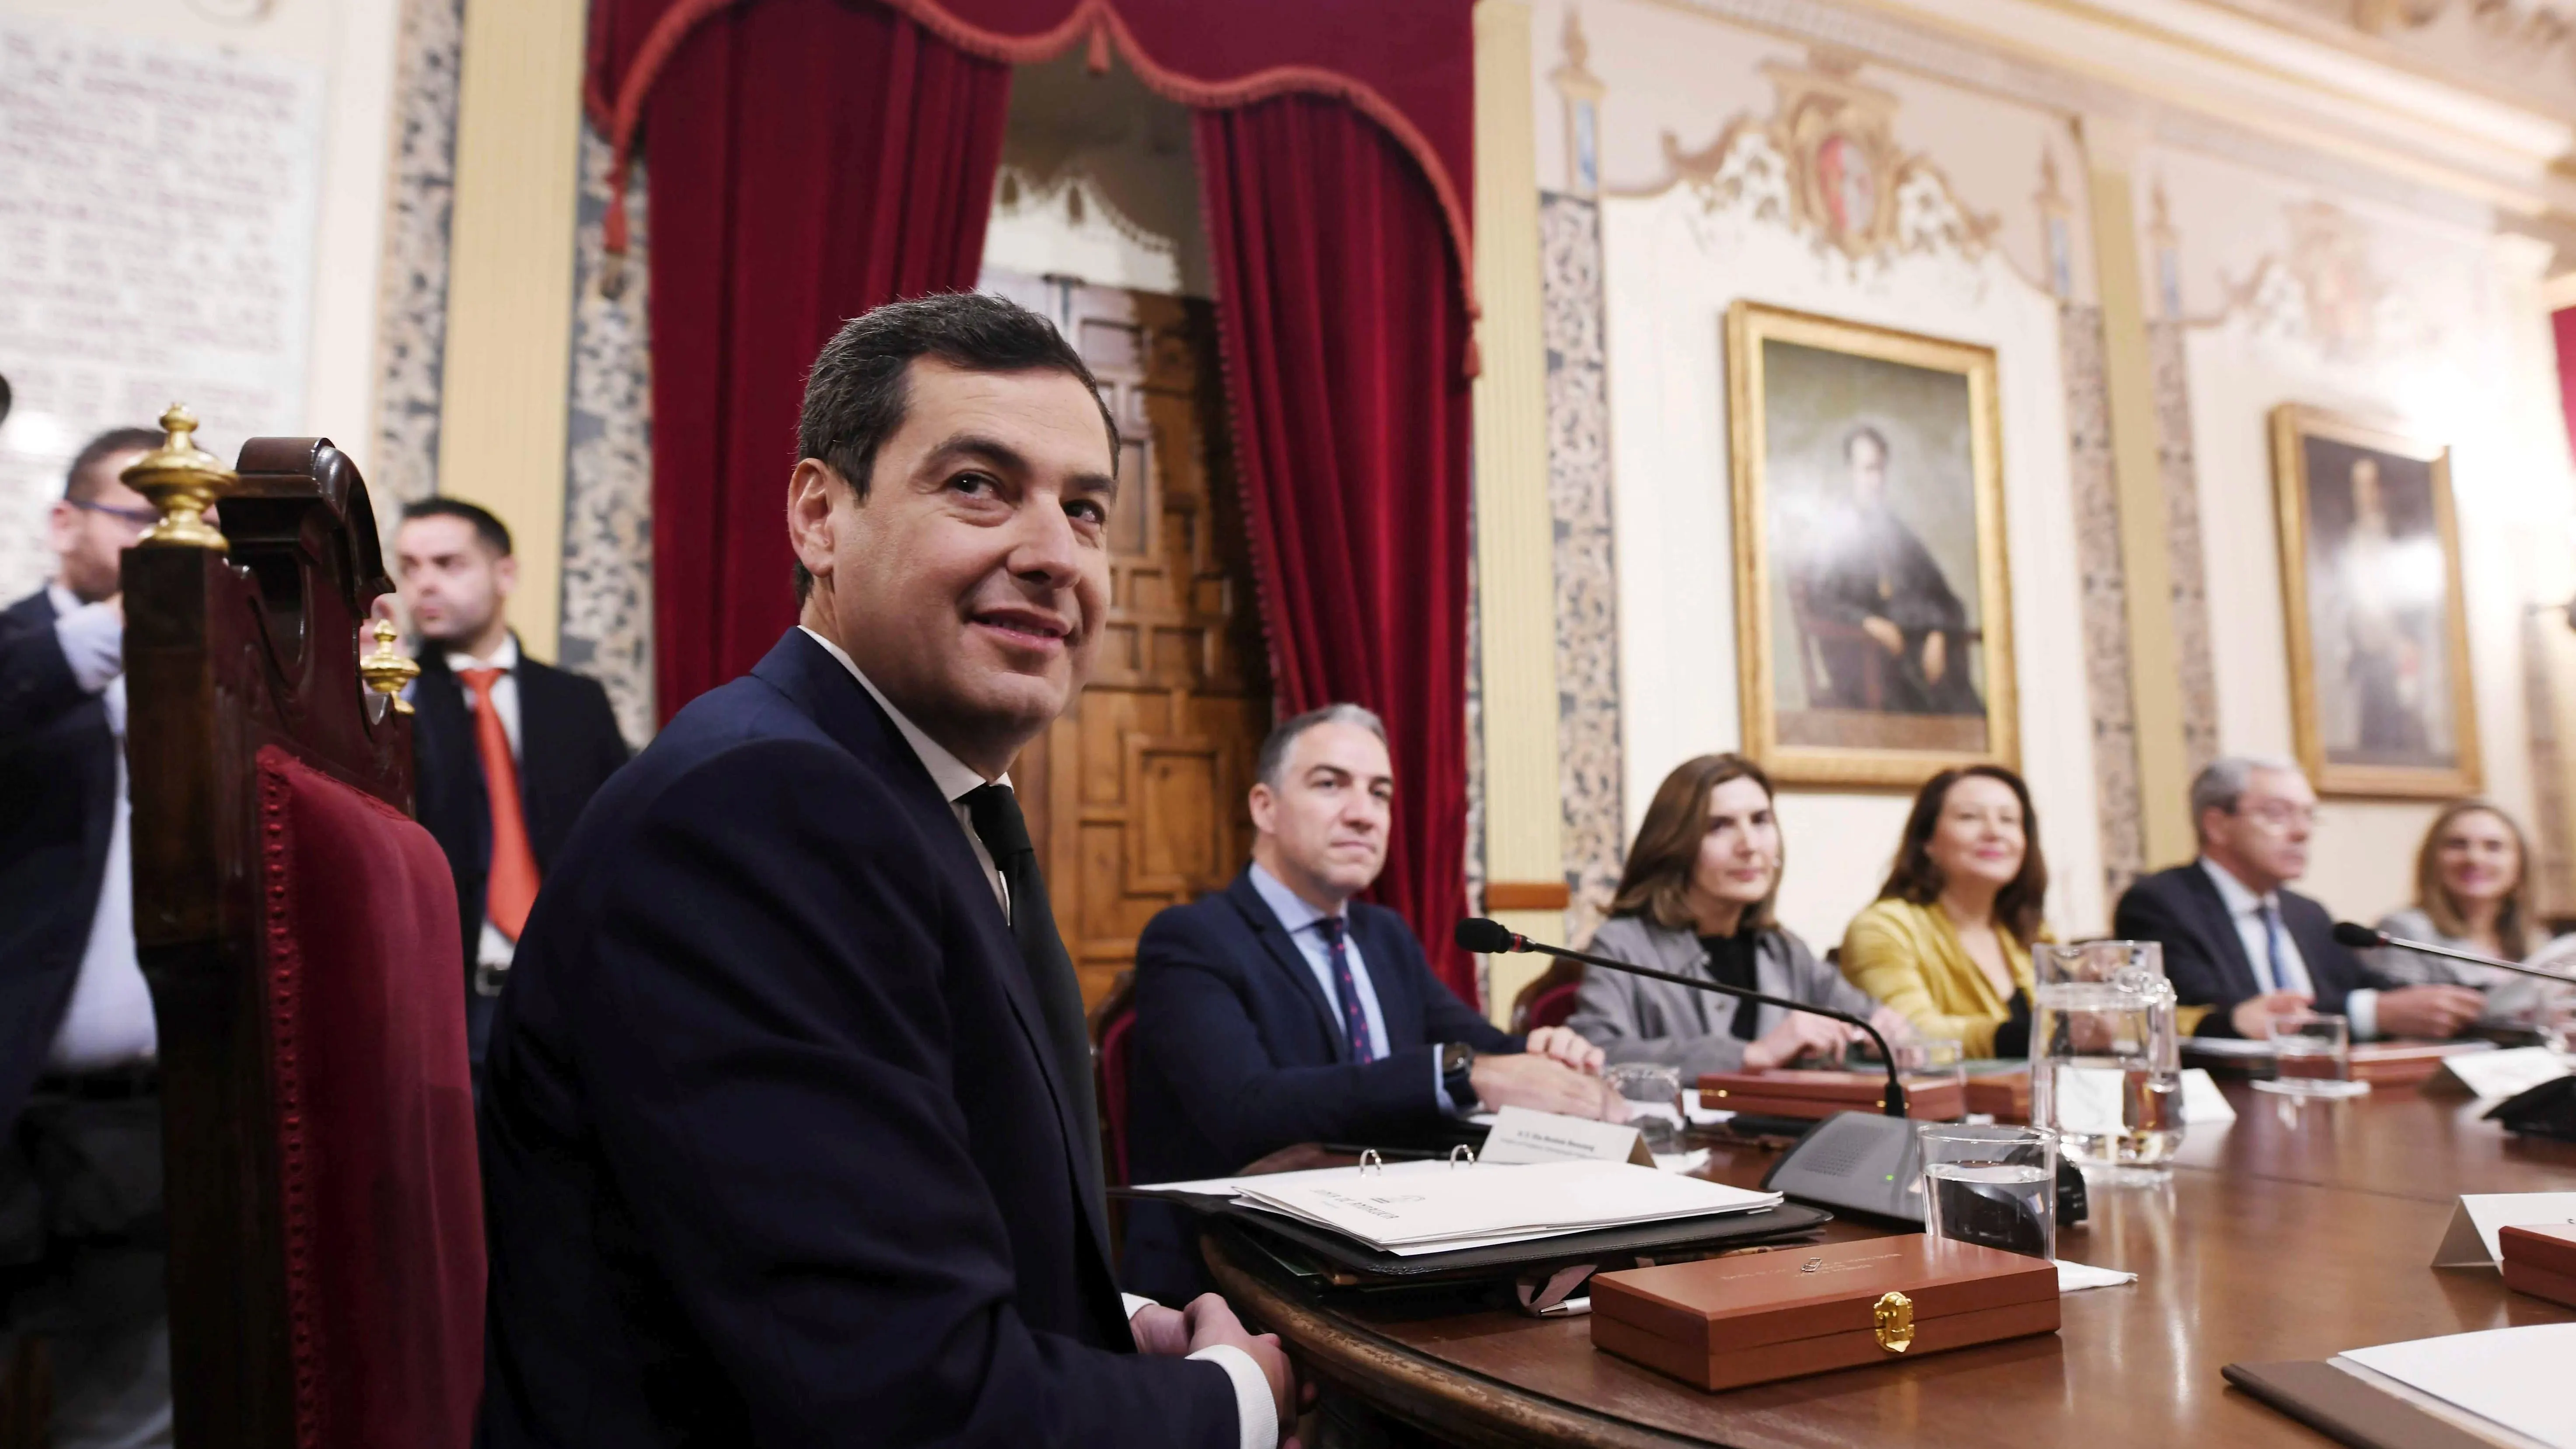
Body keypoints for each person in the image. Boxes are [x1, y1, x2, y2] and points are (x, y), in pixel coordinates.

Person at [476, 294, 1297, 1448]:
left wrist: (1113, 1324)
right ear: (820, 516)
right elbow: (912, 1405)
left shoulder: (906, 796)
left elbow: (860, 1256)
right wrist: (1244, 1397)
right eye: (978, 485)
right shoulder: (762, 813)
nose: (1055, 554)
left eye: (1086, 509)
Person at [1123, 704, 1615, 1302]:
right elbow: (1242, 1109)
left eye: (1379, 793)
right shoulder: (1193, 937)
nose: (1363, 814)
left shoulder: (1383, 935)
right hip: (1239, 1272)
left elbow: (1475, 1048)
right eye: (1330, 784)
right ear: (1264, 807)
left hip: (1396, 1251)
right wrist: (1465, 1074)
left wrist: (1544, 1054)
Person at [0, 426, 175, 1449]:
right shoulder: (25, 656)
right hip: (12, 1108)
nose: (172, 542)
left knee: (125, 1417)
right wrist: (114, 631)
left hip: (139, 1131)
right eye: (145, 516)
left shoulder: (211, 685)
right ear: (64, 522)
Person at [393, 497, 631, 1067]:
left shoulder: (575, 702)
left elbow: (618, 844)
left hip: (568, 994)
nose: (424, 584)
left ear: (505, 573)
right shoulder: (396, 698)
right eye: (409, 567)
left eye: (448, 564)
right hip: (442, 1001)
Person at [1567, 753, 1909, 1075]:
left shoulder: (1784, 950)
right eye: (1719, 826)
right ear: (1674, 844)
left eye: (1761, 821)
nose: (1749, 845)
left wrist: (1887, 1036)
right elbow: (1599, 1052)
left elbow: (1879, 1024)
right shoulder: (1623, 944)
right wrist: (1749, 1056)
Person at [2112, 756, 2483, 1040]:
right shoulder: (2161, 903)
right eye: (2278, 815)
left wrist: (2440, 1002)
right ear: (2217, 825)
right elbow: (2213, 1016)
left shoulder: (2305, 913)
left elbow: (2362, 986)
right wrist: (2372, 1012)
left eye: (2308, 816)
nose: (2302, 832)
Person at [1839, 765, 2051, 1057]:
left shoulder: (2032, 933)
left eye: (2009, 819)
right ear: (1927, 841)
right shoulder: (1883, 928)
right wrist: (2018, 1036)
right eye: (1970, 817)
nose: (1994, 832)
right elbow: (1912, 1036)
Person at [1798, 426, 1982, 716]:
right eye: (1868, 470)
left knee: (1964, 710)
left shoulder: (1898, 533)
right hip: (1867, 664)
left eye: (1880, 470)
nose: (1876, 481)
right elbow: (1821, 600)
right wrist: (1869, 622)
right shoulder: (1831, 535)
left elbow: (1946, 598)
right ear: (1850, 473)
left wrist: (1937, 634)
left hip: (1920, 663)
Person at [2374, 800, 2553, 1030]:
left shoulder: (2537, 939)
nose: (2475, 858)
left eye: (2493, 847)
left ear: (2520, 865)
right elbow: (2406, 1028)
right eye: (2457, 845)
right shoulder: (2403, 930)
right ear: (2432, 861)